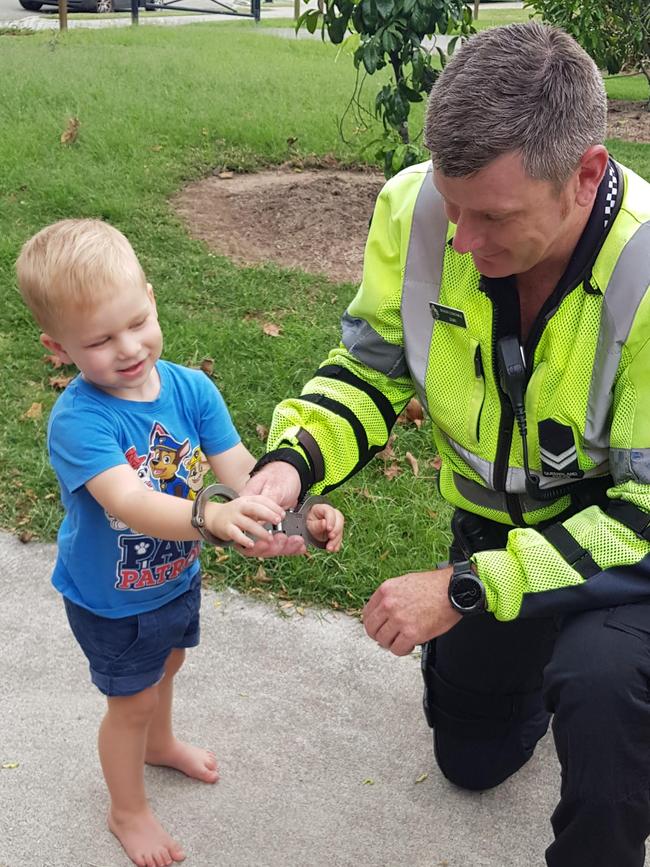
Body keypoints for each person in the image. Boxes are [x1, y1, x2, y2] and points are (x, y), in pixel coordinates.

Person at [242, 21, 650, 867]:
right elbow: (370, 369)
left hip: (620, 553)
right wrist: (291, 463)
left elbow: (646, 518)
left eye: (493, 215)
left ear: (586, 175)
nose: (461, 242)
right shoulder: (415, 207)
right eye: (452, 203)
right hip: (493, 532)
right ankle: (543, 651)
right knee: (472, 761)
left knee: (602, 690)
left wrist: (466, 590)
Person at [15, 219, 344, 867]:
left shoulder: (191, 390)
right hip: (110, 597)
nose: (129, 346)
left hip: (174, 578)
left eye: (136, 320)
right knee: (129, 700)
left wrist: (300, 514)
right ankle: (126, 808)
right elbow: (129, 501)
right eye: (100, 340)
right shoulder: (80, 420)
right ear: (58, 348)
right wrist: (211, 520)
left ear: (151, 294)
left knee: (168, 665)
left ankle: (159, 744)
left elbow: (244, 473)